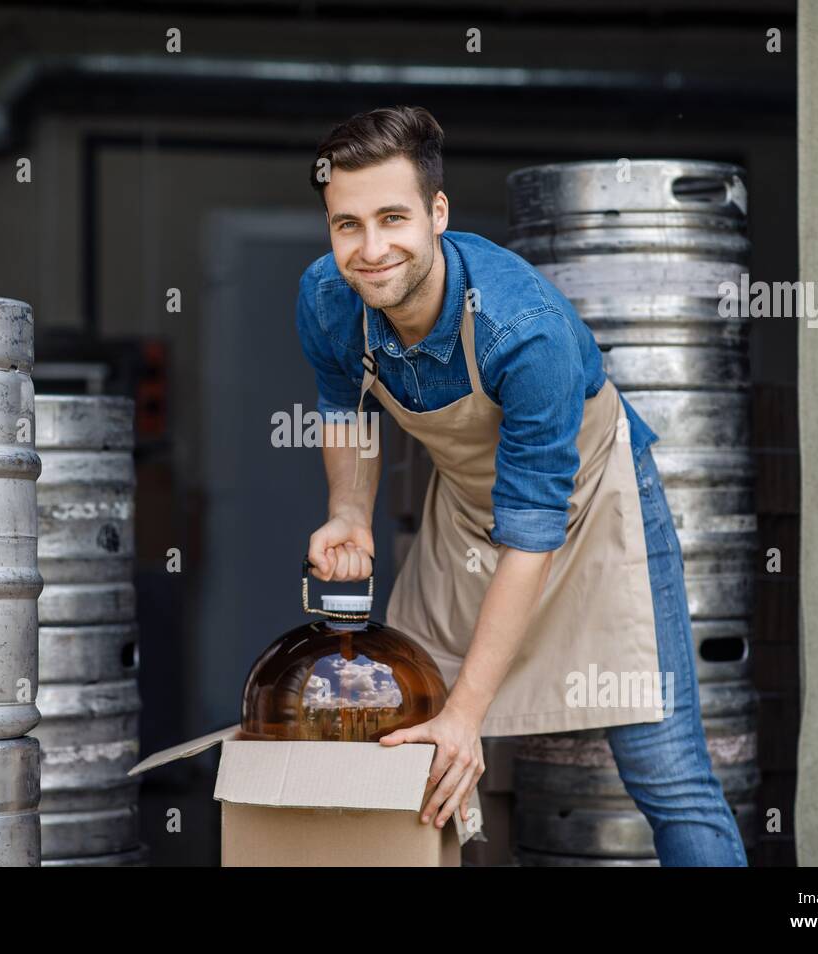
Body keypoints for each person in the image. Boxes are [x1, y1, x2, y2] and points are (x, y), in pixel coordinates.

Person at [296, 105, 747, 866]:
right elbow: (346, 408)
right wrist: (349, 511)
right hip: (466, 516)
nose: (370, 250)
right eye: (348, 225)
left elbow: (535, 527)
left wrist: (467, 714)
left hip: (591, 508)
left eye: (393, 218)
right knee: (400, 724)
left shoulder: (523, 329)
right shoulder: (326, 300)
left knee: (666, 773)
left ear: (438, 213)